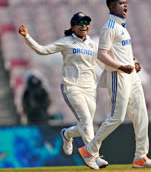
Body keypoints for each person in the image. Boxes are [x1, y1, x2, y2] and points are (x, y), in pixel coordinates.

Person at [78, 0, 151, 169]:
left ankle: (140, 157)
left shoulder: (122, 27)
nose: (125, 6)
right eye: (121, 3)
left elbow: (121, 53)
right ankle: (89, 149)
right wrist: (121, 67)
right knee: (116, 117)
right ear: (111, 7)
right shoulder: (109, 27)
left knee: (141, 116)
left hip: (132, 76)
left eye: (126, 3)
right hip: (118, 76)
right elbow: (102, 54)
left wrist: (132, 63)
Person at [18, 12, 108, 168]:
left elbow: (103, 63)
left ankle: (67, 134)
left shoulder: (92, 44)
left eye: (87, 22)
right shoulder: (67, 42)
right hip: (71, 87)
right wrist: (27, 37)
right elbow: (42, 50)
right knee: (86, 121)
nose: (84, 25)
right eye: (81, 23)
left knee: (87, 125)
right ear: (73, 27)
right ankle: (93, 156)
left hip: (89, 89)